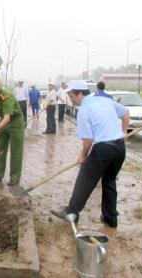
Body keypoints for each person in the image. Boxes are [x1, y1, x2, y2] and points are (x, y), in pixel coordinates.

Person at [51, 80, 129, 228]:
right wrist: (124, 133)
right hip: (120, 147)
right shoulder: (105, 101)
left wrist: (83, 156)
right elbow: (125, 113)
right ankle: (110, 218)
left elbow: (88, 140)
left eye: (72, 97)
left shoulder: (84, 110)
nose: (72, 100)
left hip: (104, 148)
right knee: (109, 182)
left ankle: (71, 212)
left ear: (80, 94)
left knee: (85, 179)